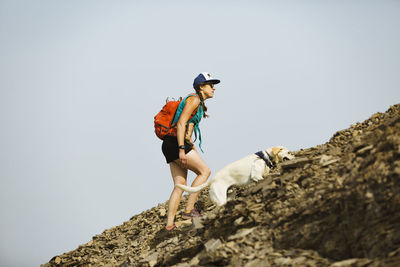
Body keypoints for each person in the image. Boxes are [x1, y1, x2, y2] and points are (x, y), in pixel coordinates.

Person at [162, 72, 220, 231]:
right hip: (175, 144)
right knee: (205, 172)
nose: (214, 88)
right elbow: (181, 124)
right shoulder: (194, 100)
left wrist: (191, 147)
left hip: (169, 144)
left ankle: (169, 225)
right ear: (201, 87)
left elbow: (188, 131)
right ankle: (189, 210)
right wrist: (182, 149)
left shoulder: (199, 105)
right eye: (210, 85)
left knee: (180, 185)